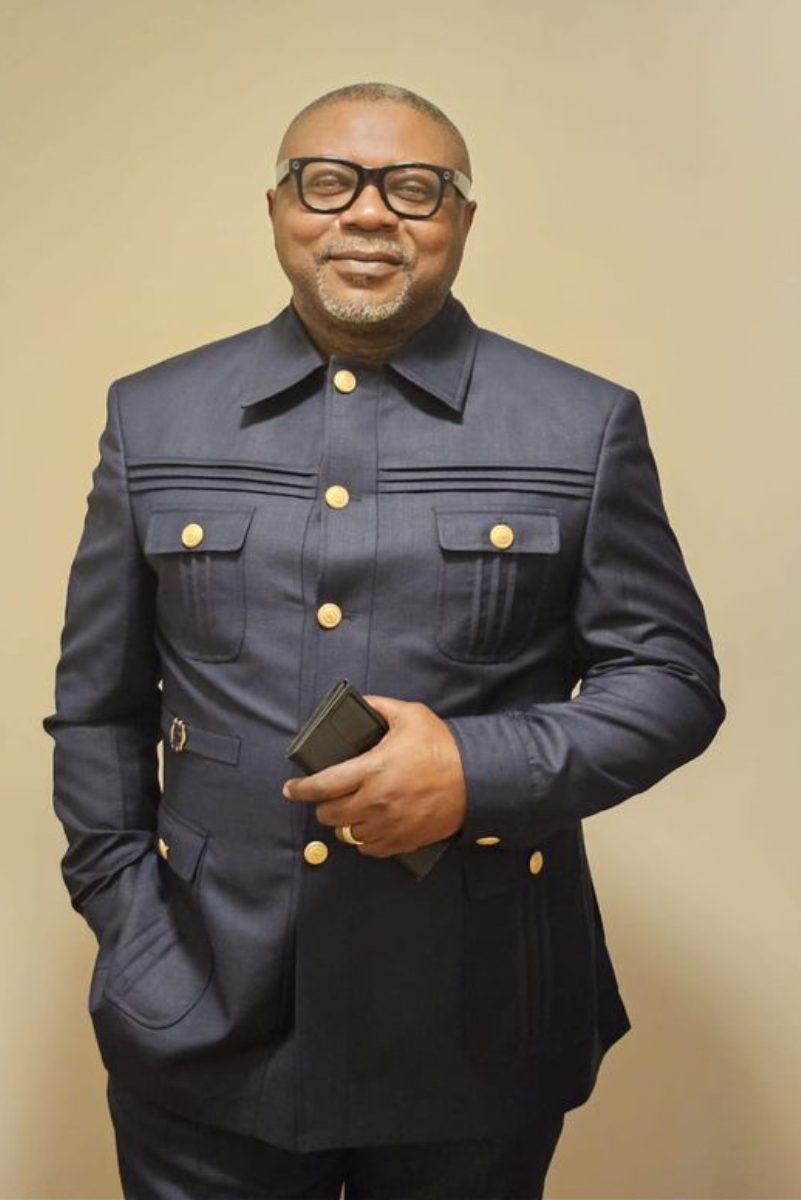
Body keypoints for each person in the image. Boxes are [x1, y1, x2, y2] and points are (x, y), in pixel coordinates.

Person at [44, 82, 725, 1199]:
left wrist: (476, 769)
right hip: (203, 1011)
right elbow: (98, 706)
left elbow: (672, 682)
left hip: (481, 1021)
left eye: (415, 188)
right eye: (327, 182)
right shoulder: (152, 417)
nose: (368, 213)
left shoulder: (581, 423)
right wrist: (129, 927)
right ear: (278, 208)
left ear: (462, 219)